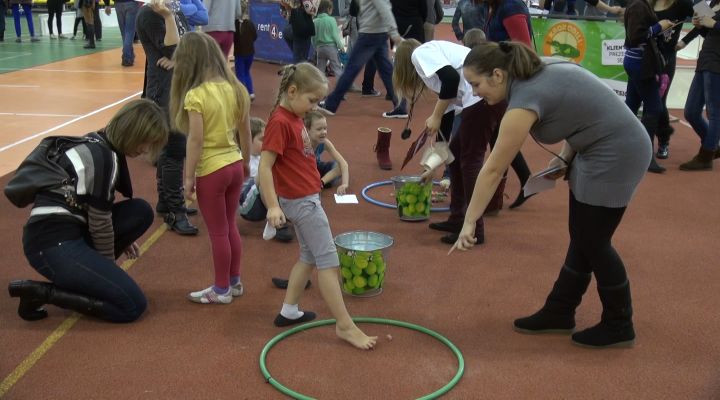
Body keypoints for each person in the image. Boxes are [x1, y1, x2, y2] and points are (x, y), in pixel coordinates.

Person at [454, 41, 651, 348]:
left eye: (476, 84)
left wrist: (469, 221)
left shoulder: (526, 95)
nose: (475, 92)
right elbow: (584, 110)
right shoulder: (531, 72)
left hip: (618, 152)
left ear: (497, 75)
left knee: (594, 241)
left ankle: (619, 323)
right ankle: (560, 310)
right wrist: (564, 155)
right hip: (595, 148)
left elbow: (493, 169)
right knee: (583, 235)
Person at [8, 99, 170, 323]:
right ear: (132, 132)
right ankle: (41, 293)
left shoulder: (95, 141)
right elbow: (100, 221)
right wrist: (108, 272)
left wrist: (119, 239)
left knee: (140, 211)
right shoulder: (106, 159)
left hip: (59, 233)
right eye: (145, 142)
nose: (145, 150)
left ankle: (85, 276)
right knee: (132, 306)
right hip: (51, 245)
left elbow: (93, 204)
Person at [258, 62, 377, 349]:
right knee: (329, 262)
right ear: (292, 90)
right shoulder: (281, 121)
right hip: (302, 203)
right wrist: (272, 206)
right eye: (312, 100)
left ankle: (289, 310)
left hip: (304, 197)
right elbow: (264, 166)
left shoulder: (295, 117)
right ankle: (345, 325)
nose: (314, 106)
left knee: (309, 257)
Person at [393, 36, 504, 246]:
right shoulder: (435, 65)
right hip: (477, 100)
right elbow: (445, 122)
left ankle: (475, 228)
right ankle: (457, 218)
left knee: (470, 162)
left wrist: (434, 115)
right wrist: (432, 166)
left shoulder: (420, 54)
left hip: (481, 99)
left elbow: (451, 80)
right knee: (454, 155)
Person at [169, 32, 252, 303]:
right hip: (235, 163)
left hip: (212, 169)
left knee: (217, 231)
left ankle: (221, 289)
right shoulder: (236, 88)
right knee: (230, 226)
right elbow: (246, 132)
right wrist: (247, 161)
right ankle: (235, 281)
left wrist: (188, 177)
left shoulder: (195, 96)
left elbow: (195, 140)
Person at [137, 0, 199, 236]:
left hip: (175, 87)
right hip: (165, 90)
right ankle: (175, 209)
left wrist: (180, 58)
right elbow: (173, 48)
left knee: (170, 149)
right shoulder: (151, 14)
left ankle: (166, 202)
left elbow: (188, 45)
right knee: (174, 148)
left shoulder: (170, 9)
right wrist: (178, 55)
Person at [482, 0, 535, 210]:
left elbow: (524, 48)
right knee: (497, 136)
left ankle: (496, 195)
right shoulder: (497, 6)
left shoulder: (511, 7)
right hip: (499, 80)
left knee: (498, 136)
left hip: (508, 81)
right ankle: (523, 181)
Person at [318, 0, 407, 121]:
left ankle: (331, 104)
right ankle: (401, 106)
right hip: (377, 33)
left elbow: (384, 9)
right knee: (386, 71)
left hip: (369, 34)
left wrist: (394, 33)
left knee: (351, 69)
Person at [623, 0, 674, 173]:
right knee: (654, 108)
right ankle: (645, 155)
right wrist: (659, 27)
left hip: (637, 62)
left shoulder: (639, 4)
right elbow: (636, 36)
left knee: (631, 106)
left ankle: (624, 147)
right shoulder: (639, 5)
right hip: (640, 64)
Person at [675, 2, 720, 170]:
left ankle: (706, 155)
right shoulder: (713, 3)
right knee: (691, 111)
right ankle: (712, 144)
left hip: (717, 63)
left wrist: (714, 23)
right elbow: (710, 33)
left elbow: (714, 27)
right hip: (705, 60)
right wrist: (700, 26)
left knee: (714, 113)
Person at [238, 117, 295, 242]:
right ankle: (278, 224)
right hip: (247, 206)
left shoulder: (262, 157)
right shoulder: (239, 159)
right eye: (262, 139)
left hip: (260, 199)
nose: (267, 142)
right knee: (265, 176)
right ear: (246, 141)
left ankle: (289, 213)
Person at [652, 0, 692, 159]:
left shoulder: (683, 3)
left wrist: (685, 41)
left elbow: (706, 17)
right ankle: (641, 143)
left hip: (666, 59)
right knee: (639, 101)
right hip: (646, 58)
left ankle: (663, 141)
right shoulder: (649, 2)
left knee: (659, 102)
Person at [305, 111, 350, 193]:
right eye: (319, 129)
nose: (324, 132)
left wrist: (345, 184)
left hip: (316, 168)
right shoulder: (302, 144)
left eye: (325, 128)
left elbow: (343, 163)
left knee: (339, 166)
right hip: (304, 171)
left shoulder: (325, 143)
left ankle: (320, 183)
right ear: (308, 130)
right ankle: (315, 184)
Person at [312, 0, 344, 79]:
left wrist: (315, 48)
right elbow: (335, 35)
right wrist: (341, 46)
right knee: (337, 68)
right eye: (331, 9)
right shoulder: (331, 20)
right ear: (328, 9)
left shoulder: (314, 21)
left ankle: (319, 87)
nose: (332, 10)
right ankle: (341, 86)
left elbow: (313, 38)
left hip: (320, 48)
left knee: (320, 70)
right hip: (331, 48)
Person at [106, 0, 142, 66]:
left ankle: (130, 55)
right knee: (129, 31)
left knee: (124, 33)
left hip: (118, 4)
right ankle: (127, 58)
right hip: (132, 3)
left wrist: (107, 4)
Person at [234, 5, 257, 100]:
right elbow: (255, 36)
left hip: (239, 53)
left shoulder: (235, 24)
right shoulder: (250, 23)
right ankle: (251, 92)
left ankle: (242, 95)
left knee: (240, 74)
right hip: (250, 53)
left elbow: (233, 38)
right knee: (247, 72)